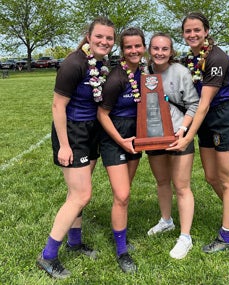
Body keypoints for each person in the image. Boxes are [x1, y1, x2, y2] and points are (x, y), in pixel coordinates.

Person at [36, 17, 115, 279]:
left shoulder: (101, 63)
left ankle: (75, 241)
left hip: (91, 131)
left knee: (77, 192)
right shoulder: (73, 63)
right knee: (80, 195)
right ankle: (47, 256)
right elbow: (58, 106)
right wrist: (65, 145)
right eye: (99, 37)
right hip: (72, 133)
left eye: (109, 38)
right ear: (89, 36)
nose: (104, 42)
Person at [168, 12, 229, 253]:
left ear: (206, 31)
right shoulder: (191, 59)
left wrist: (187, 135)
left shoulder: (216, 57)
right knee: (211, 177)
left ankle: (226, 236)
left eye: (197, 30)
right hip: (206, 122)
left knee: (226, 179)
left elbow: (203, 103)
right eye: (188, 31)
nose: (192, 35)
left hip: (223, 118)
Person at [97, 27, 146, 273]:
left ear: (143, 47)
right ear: (122, 50)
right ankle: (121, 251)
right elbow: (102, 114)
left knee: (123, 194)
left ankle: (121, 237)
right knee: (123, 194)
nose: (134, 50)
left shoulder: (145, 75)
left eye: (138, 46)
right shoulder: (117, 78)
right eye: (129, 47)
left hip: (135, 138)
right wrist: (121, 141)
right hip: (114, 138)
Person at [146, 33, 199, 259]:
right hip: (153, 136)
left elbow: (194, 105)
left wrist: (183, 129)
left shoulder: (181, 72)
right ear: (150, 49)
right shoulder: (143, 72)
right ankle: (166, 220)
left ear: (171, 51)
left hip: (178, 135)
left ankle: (185, 237)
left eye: (164, 49)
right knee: (161, 181)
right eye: (156, 48)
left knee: (182, 185)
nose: (159, 53)